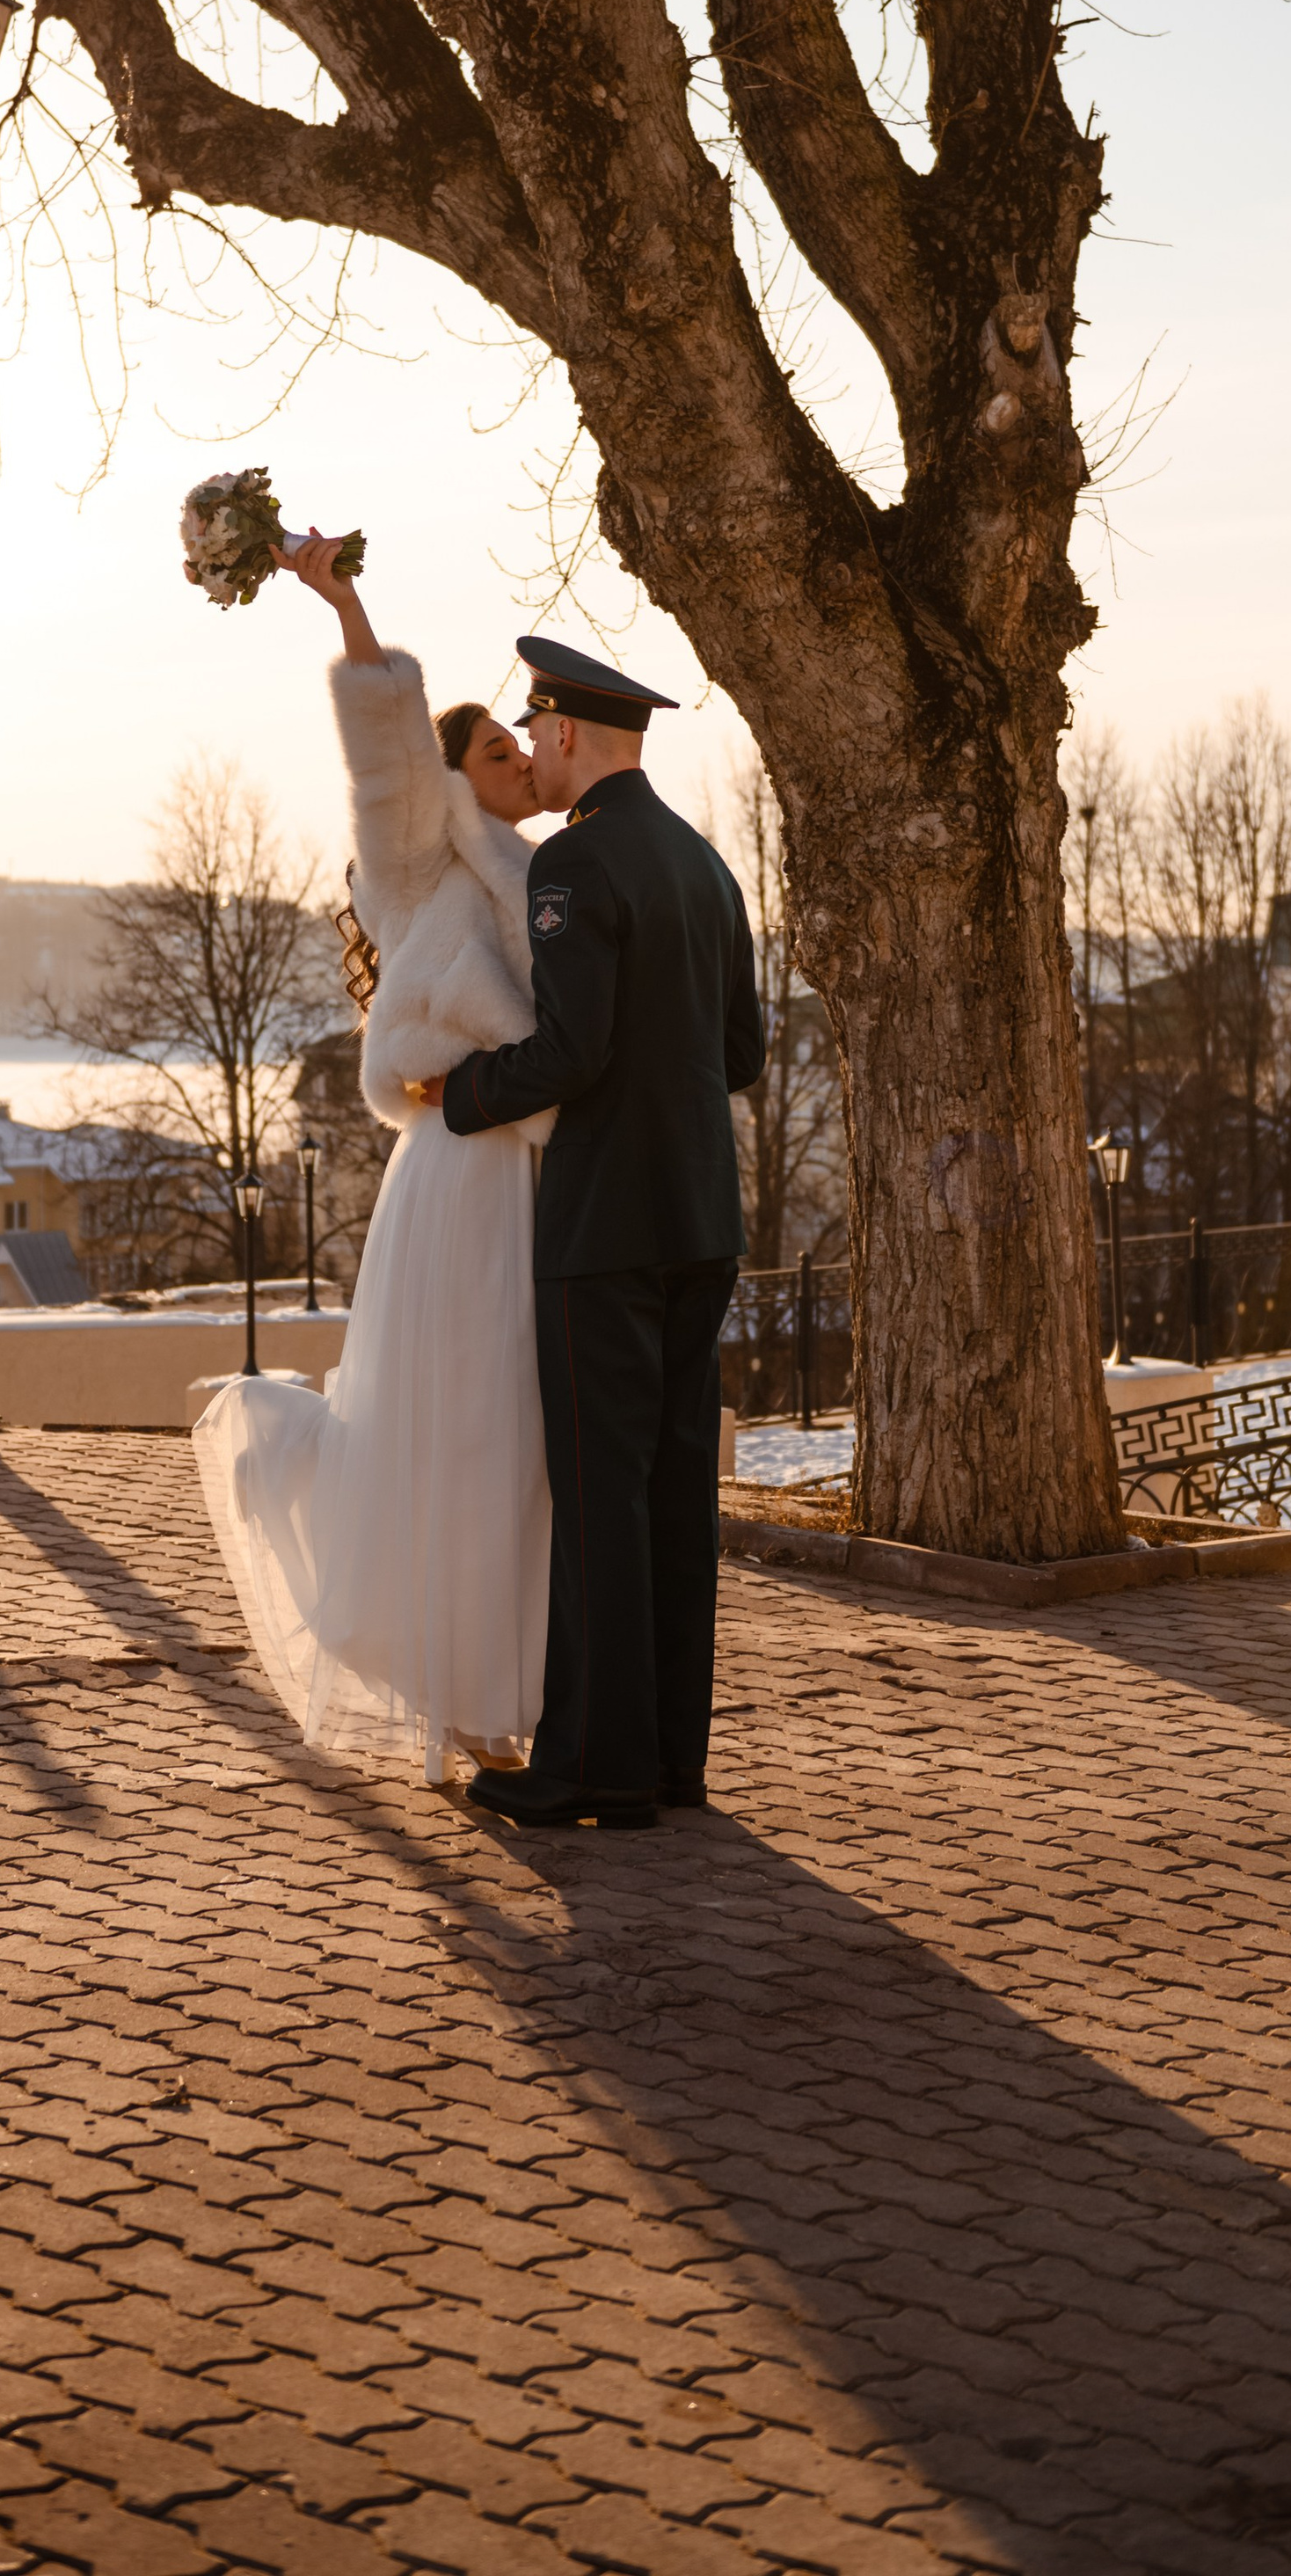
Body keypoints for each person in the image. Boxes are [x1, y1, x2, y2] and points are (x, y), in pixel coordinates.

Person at [190, 542, 551, 1783]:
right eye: (496, 746)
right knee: (460, 1431)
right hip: (457, 1182)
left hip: (525, 1178)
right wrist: (347, 603)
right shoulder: (421, 865)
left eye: (521, 743)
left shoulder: (532, 881)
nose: (518, 755)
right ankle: (458, 1705)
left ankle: (508, 1690)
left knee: (517, 1441)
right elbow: (386, 746)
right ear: (451, 779)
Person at [430, 637, 767, 1832]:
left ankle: (591, 1765)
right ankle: (673, 1761)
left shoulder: (571, 869)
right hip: (702, 1221)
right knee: (677, 1498)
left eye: (538, 730)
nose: (534, 749)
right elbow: (743, 1057)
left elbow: (572, 1051)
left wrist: (460, 1094)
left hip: (606, 1230)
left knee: (599, 1497)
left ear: (568, 734)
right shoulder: (707, 866)